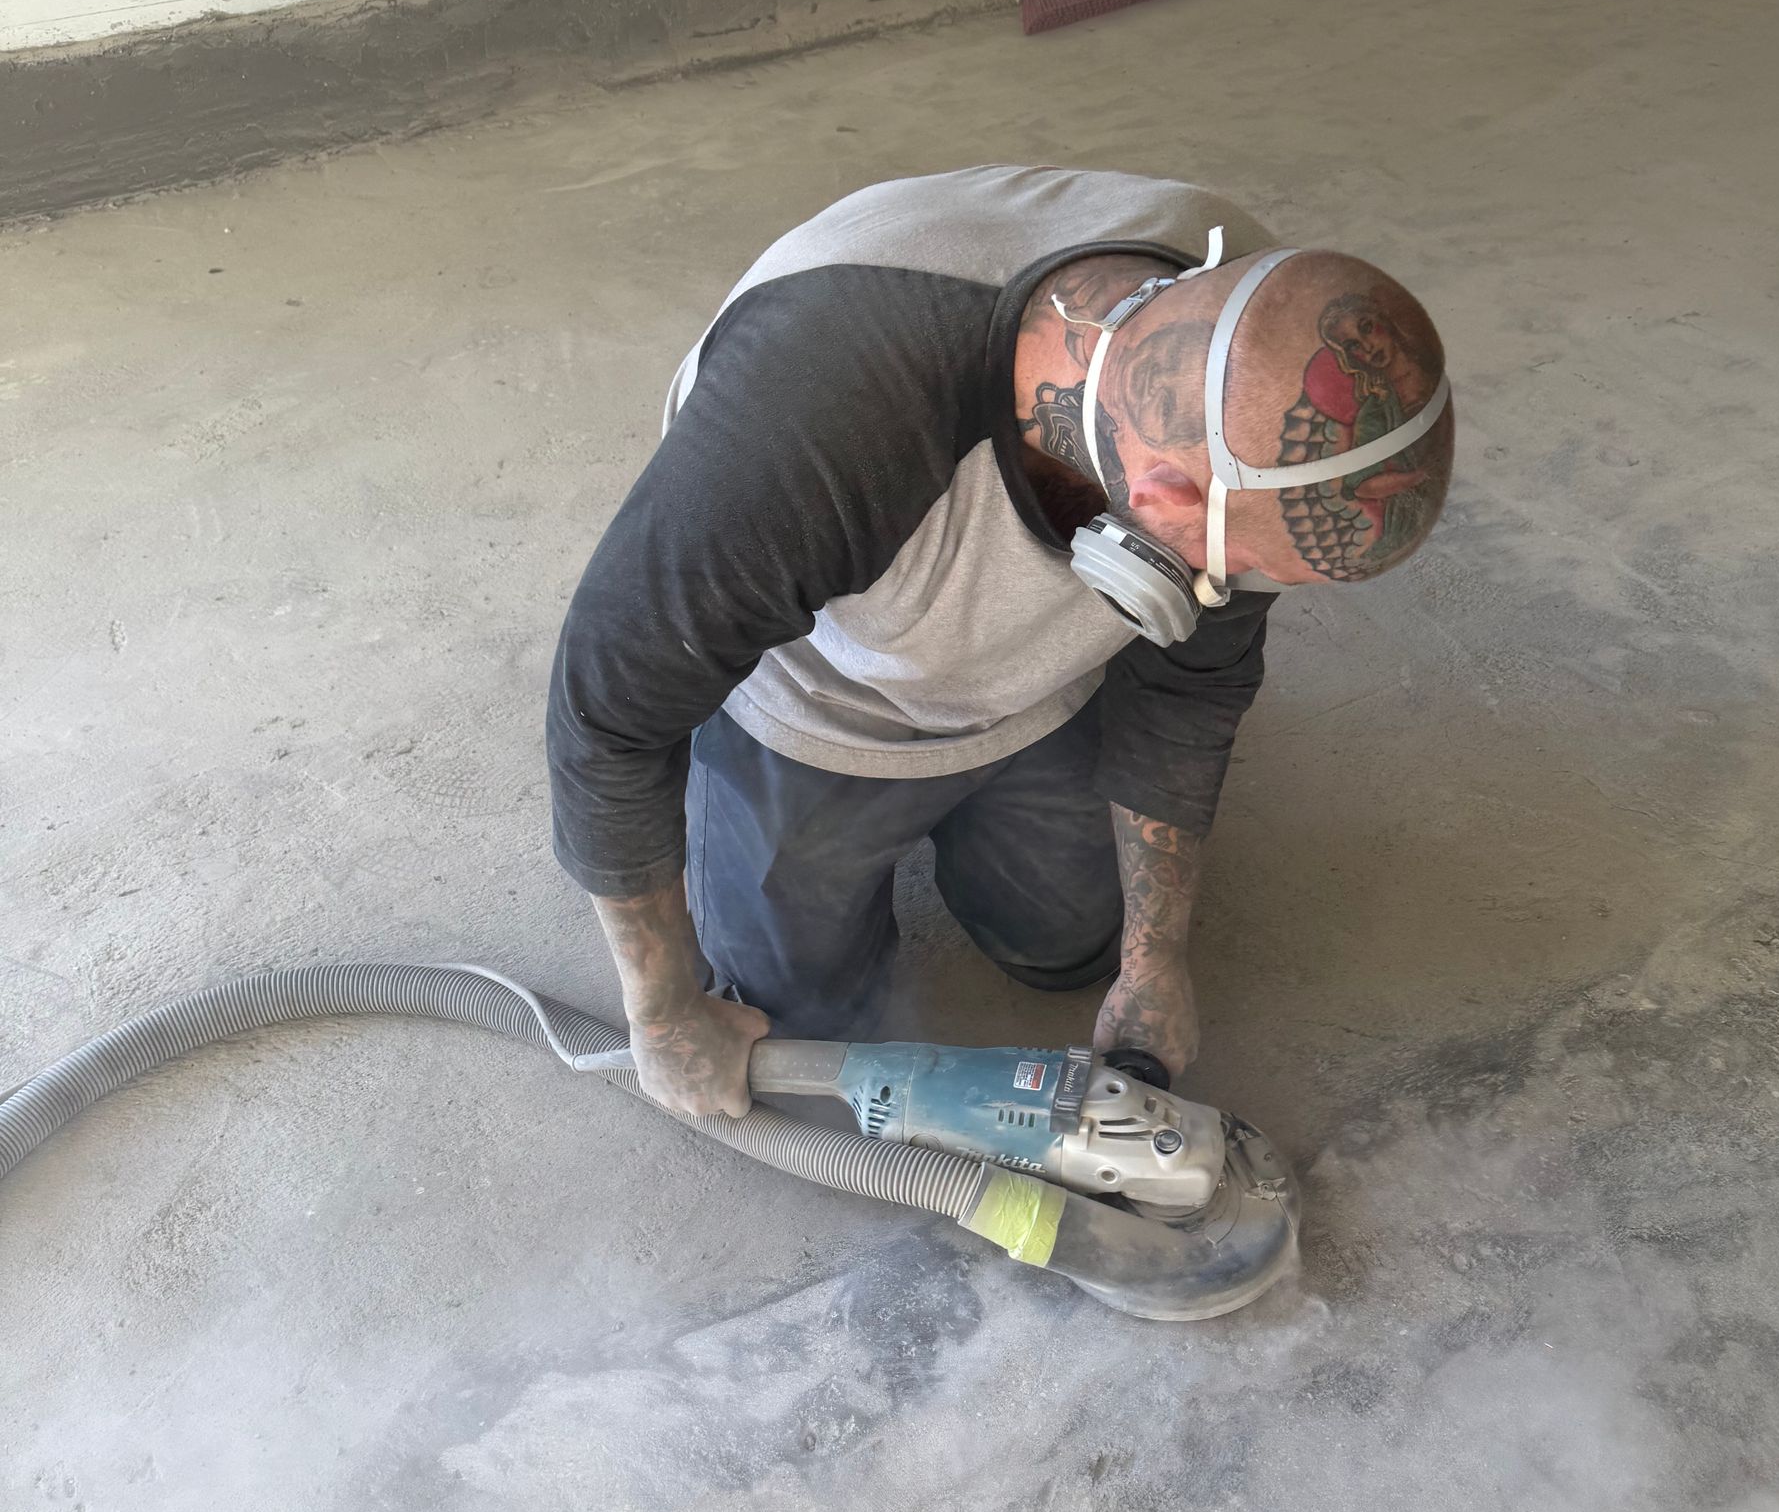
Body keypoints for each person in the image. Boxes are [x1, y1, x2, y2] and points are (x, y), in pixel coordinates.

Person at [547, 164, 1453, 1118]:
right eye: (1250, 572)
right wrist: (663, 1017)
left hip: (1038, 693)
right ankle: (745, 806)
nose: (1246, 595)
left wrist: (1157, 962)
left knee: (1070, 954)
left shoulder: (1245, 358)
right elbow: (605, 716)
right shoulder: (817, 418)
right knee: (797, 1041)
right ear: (1161, 499)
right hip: (822, 697)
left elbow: (1194, 681)